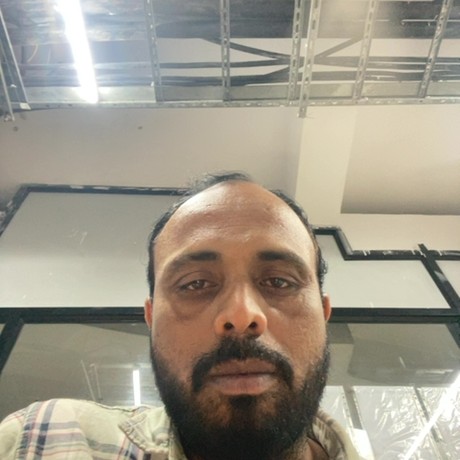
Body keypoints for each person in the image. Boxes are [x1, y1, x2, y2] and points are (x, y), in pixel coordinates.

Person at [0, 172, 361, 459]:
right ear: (151, 319)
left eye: (279, 281)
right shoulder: (40, 441)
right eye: (195, 284)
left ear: (324, 314)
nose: (240, 316)